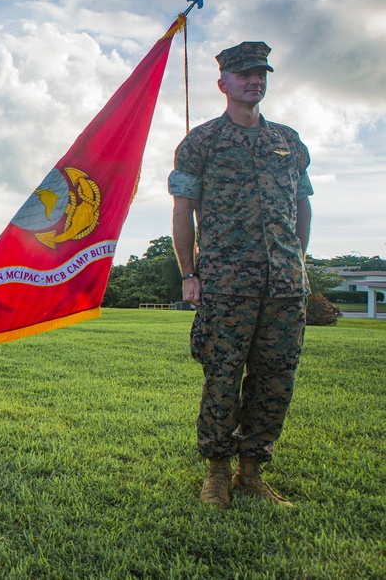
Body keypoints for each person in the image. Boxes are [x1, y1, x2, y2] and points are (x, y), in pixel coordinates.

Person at [169, 41, 312, 509]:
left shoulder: (288, 142)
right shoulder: (202, 142)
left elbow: (302, 204)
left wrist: (298, 260)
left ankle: (252, 471)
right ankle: (216, 472)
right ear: (223, 83)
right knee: (223, 375)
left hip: (285, 285)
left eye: (262, 73)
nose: (256, 80)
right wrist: (189, 273)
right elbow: (183, 210)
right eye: (246, 74)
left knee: (275, 378)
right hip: (227, 282)